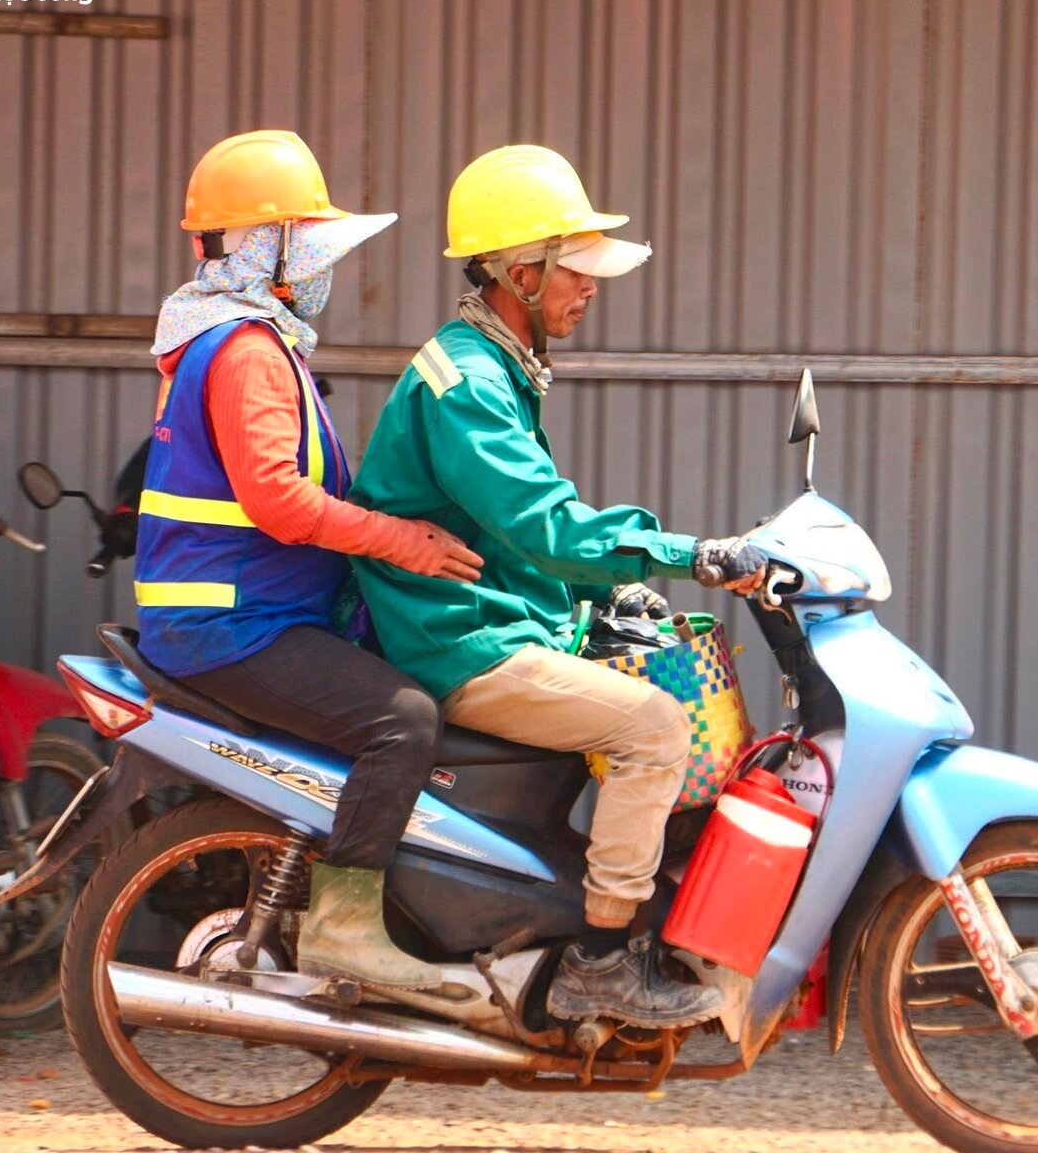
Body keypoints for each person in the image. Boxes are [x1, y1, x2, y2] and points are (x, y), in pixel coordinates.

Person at [349, 144, 766, 1028]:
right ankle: (604, 959)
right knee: (655, 729)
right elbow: (545, 524)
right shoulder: (467, 383)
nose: (592, 287)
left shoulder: (497, 365)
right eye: (576, 269)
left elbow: (506, 536)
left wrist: (593, 603)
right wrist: (690, 551)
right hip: (463, 643)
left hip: (496, 616)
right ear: (520, 272)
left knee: (658, 662)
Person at [135, 130, 484, 991]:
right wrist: (409, 543)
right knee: (401, 720)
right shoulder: (248, 351)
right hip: (230, 626)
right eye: (310, 244)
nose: (324, 266)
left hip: (243, 616)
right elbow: (281, 503)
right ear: (267, 248)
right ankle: (344, 930)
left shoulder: (230, 337)